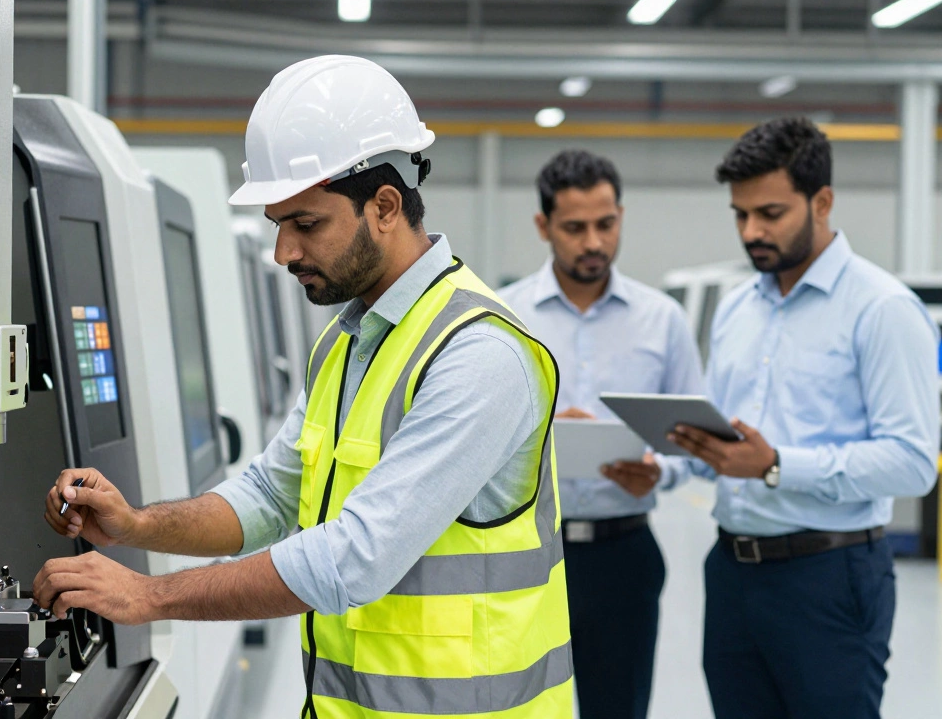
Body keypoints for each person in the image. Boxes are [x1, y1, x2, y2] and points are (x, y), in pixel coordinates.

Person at [31, 55, 575, 718]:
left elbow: (353, 558)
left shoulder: (478, 354)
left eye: (306, 223)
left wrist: (149, 598)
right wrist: (137, 525)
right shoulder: (350, 340)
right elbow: (270, 494)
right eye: (277, 224)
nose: (283, 251)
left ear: (384, 206)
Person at [668, 117, 939, 719]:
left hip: (830, 577)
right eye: (740, 215)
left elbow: (914, 461)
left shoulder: (882, 309)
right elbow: (730, 450)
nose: (751, 231)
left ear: (823, 202)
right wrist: (667, 458)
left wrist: (777, 465)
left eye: (770, 213)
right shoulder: (738, 309)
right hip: (733, 573)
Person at [499, 149, 703, 719]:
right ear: (544, 227)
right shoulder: (503, 317)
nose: (594, 242)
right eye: (575, 228)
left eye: (606, 224)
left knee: (619, 708)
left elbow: (693, 445)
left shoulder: (662, 321)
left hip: (625, 555)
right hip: (528, 554)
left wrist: (658, 470)